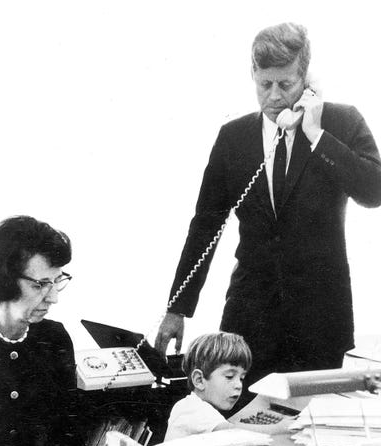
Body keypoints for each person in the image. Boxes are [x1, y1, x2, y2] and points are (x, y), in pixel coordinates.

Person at [155, 22, 381, 412]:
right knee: (239, 422)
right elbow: (205, 224)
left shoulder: (342, 122)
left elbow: (374, 191)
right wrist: (177, 306)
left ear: (306, 80)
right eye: (265, 85)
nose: (274, 97)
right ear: (253, 75)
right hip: (250, 315)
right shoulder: (233, 137)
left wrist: (317, 135)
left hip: (320, 315)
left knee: (310, 424)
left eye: (286, 85)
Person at [0, 215, 87, 446]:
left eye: (56, 282)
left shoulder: (55, 338)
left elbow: (69, 439)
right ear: (5, 280)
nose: (53, 298)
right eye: (40, 285)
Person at [165, 332, 289, 441]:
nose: (239, 385)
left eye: (241, 378)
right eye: (229, 377)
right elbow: (233, 433)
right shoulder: (193, 408)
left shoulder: (199, 408)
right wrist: (281, 427)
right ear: (199, 380)